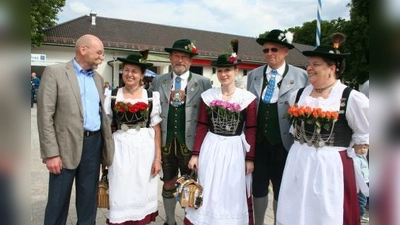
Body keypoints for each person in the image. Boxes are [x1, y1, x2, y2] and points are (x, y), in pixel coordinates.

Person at [276, 32, 369, 225]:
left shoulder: (350, 98)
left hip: (331, 166)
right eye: (309, 64)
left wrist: (362, 145)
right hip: (299, 161)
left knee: (326, 212)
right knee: (297, 208)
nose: (309, 68)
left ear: (332, 69)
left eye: (315, 64)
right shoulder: (298, 95)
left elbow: (365, 132)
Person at [37, 34, 114, 225]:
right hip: (63, 149)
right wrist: (51, 153)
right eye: (99, 52)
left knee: (88, 202)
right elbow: (44, 116)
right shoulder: (55, 72)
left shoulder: (98, 78)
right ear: (83, 49)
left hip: (93, 146)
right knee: (58, 202)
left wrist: (105, 149)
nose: (102, 57)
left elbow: (100, 114)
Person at [184, 43, 257, 225]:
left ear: (235, 71)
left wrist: (250, 158)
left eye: (227, 70)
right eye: (220, 71)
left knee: (231, 189)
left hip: (234, 149)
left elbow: (251, 129)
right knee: (208, 187)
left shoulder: (247, 98)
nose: (223, 74)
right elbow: (201, 125)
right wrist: (195, 155)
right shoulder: (208, 96)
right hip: (211, 146)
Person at [246, 29, 309, 224]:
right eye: (266, 50)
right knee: (258, 186)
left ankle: (279, 221)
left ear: (285, 51)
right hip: (259, 142)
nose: (269, 54)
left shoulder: (301, 76)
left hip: (285, 142)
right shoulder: (254, 75)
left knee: (282, 187)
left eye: (274, 49)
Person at [151, 39, 212, 225]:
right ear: (170, 58)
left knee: (189, 185)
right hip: (167, 143)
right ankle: (170, 221)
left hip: (190, 144)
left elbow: (208, 118)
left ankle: (189, 220)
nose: (180, 60)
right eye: (176, 56)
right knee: (168, 182)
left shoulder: (203, 83)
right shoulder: (158, 81)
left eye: (184, 57)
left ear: (191, 60)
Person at [105, 53, 162, 224]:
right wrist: (104, 156)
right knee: (120, 189)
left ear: (142, 75)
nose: (130, 74)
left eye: (135, 71)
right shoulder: (113, 95)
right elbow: (106, 126)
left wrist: (157, 158)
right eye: (127, 70)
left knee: (141, 189)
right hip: (119, 149)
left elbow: (156, 127)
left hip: (144, 149)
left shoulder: (151, 96)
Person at [354, 146, 369, 223]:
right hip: (360, 183)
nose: (363, 150)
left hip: (365, 181)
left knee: (363, 199)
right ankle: (360, 215)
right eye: (361, 148)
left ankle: (360, 214)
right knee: (362, 200)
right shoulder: (356, 159)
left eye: (365, 148)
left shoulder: (363, 157)